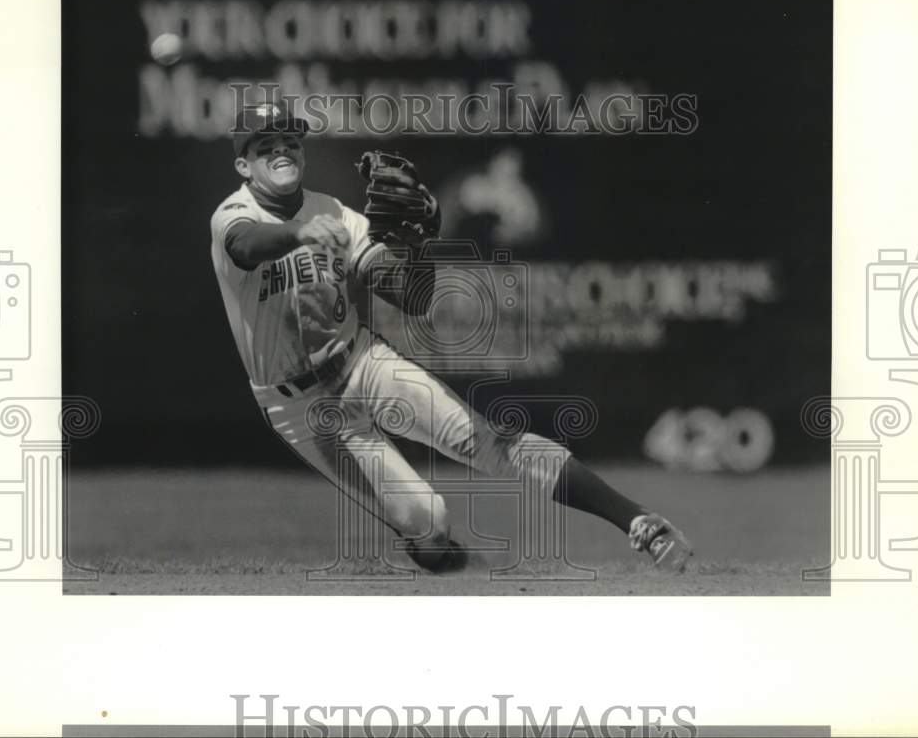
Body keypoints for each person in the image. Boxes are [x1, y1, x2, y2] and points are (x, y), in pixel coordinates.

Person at [210, 96, 693, 573]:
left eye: (290, 141)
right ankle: (447, 559)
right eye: (265, 145)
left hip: (363, 364)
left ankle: (639, 521)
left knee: (487, 441)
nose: (282, 151)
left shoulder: (336, 213)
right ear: (244, 165)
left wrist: (418, 246)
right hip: (302, 409)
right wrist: (298, 234)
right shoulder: (233, 214)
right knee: (428, 520)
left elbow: (412, 298)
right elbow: (247, 245)